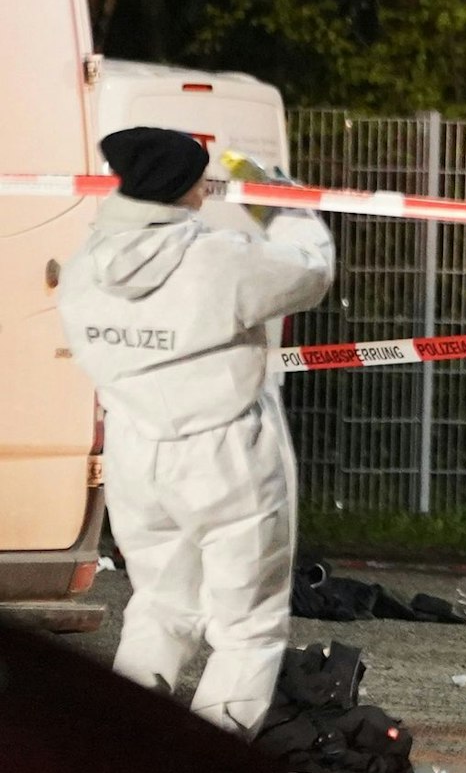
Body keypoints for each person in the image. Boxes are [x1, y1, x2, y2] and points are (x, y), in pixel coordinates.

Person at [57, 127, 334, 735]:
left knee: (159, 607)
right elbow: (311, 274)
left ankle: (123, 755)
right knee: (247, 628)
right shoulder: (219, 259)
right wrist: (287, 205)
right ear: (189, 185)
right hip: (224, 453)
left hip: (136, 452)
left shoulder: (83, 266)